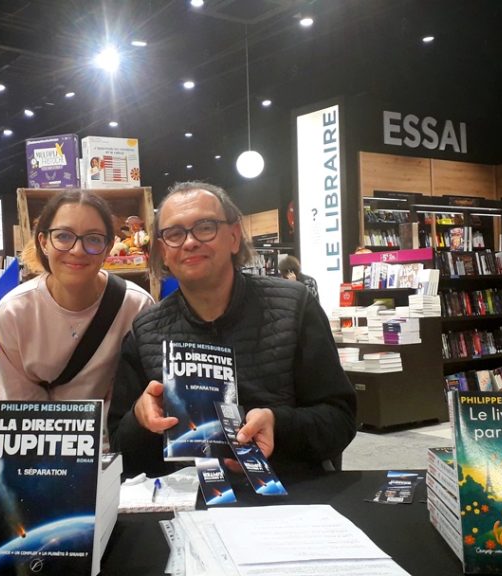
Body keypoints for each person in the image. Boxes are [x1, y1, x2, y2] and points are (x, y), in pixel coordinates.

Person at [108, 181, 357, 478]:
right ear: (163, 250)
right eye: (174, 234)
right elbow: (122, 452)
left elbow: (340, 419)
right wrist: (140, 418)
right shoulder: (145, 331)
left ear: (234, 236)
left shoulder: (294, 306)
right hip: (188, 503)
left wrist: (278, 423)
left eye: (205, 227)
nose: (189, 242)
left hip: (289, 495)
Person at [0, 190, 154, 405]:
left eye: (93, 239)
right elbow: (20, 408)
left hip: (112, 435)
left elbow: (136, 399)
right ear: (44, 242)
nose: (77, 250)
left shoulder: (136, 306)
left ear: (108, 248)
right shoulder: (14, 312)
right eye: (63, 236)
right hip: (36, 433)